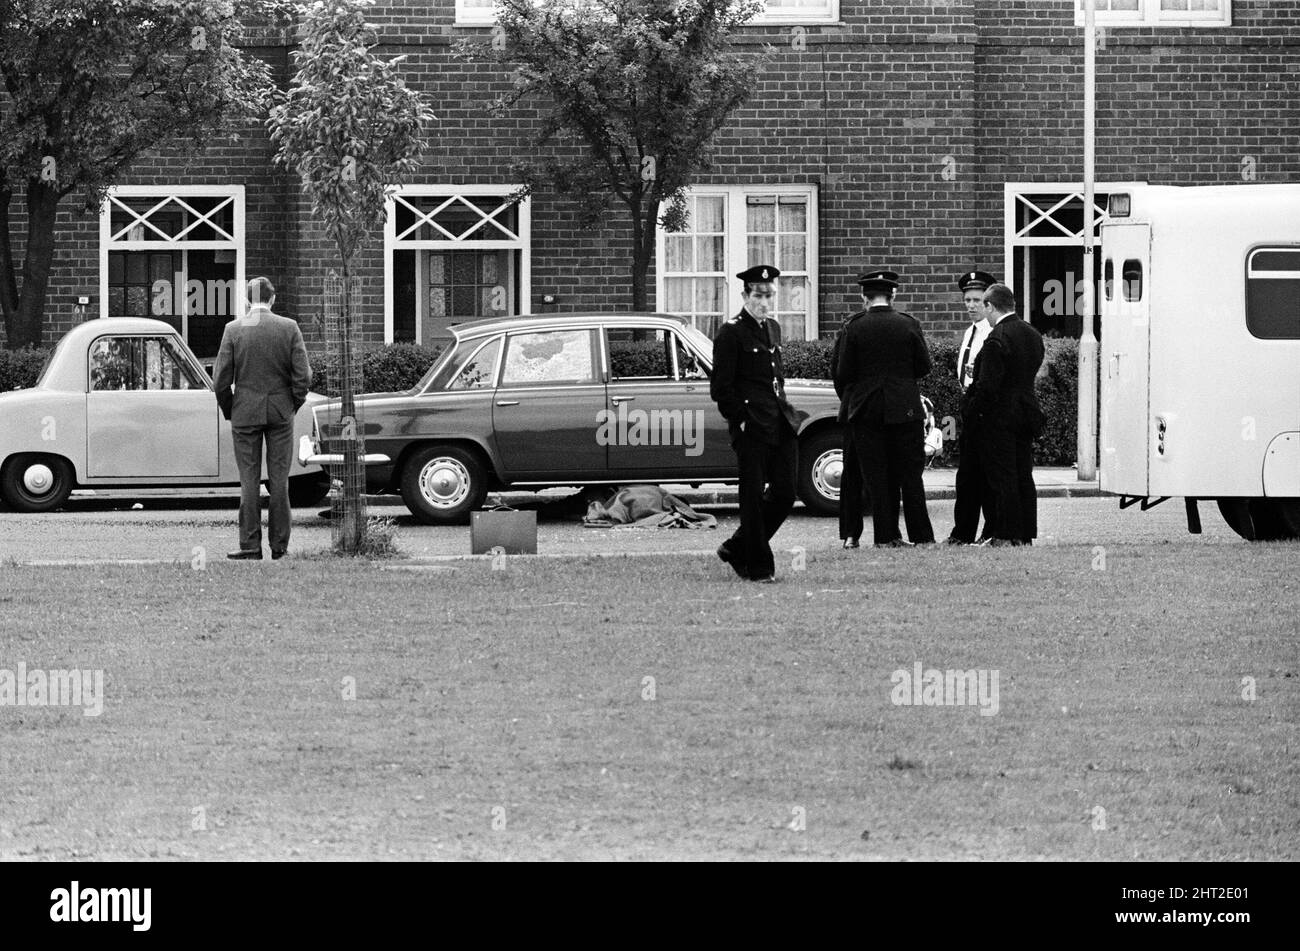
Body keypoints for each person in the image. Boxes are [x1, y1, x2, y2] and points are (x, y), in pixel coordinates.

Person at [711, 265, 805, 582]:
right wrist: (740, 420)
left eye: (769, 295)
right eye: (758, 295)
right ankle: (759, 566)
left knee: (784, 492)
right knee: (751, 496)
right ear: (745, 296)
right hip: (751, 424)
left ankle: (737, 546)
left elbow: (775, 377)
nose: (764, 301)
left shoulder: (773, 328)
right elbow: (721, 389)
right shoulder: (731, 333)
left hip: (778, 420)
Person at [213, 277, 312, 560]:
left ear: (246, 300)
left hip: (245, 411)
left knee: (249, 479)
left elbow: (220, 380)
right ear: (273, 299)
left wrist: (230, 408)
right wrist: (292, 403)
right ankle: (279, 546)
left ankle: (250, 545)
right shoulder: (289, 328)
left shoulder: (233, 330)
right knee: (280, 479)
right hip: (280, 410)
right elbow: (302, 377)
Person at [836, 269, 935, 547]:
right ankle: (922, 535)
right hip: (904, 408)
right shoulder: (908, 324)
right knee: (911, 477)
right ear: (893, 295)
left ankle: (886, 535)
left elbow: (844, 372)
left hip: (867, 410)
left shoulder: (853, 327)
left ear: (863, 296)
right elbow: (923, 367)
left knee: (877, 477)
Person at [961, 282, 1045, 546]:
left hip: (1000, 417)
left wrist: (971, 412)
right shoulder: (1032, 334)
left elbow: (987, 386)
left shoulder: (996, 338)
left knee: (1003, 476)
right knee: (1023, 475)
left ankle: (1005, 533)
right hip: (1026, 412)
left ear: (990, 306)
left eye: (982, 304)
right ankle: (1025, 533)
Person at [947, 269, 996, 545]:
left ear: (988, 301)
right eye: (967, 300)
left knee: (988, 478)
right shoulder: (970, 333)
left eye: (977, 300)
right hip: (970, 413)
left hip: (987, 414)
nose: (971, 306)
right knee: (966, 479)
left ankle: (990, 531)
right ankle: (961, 533)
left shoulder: (994, 332)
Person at [832, 305, 868, 548]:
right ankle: (888, 533)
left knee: (852, 474)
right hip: (879, 409)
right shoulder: (899, 324)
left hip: (855, 406)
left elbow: (839, 371)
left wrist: (847, 397)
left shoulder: (851, 328)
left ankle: (850, 534)